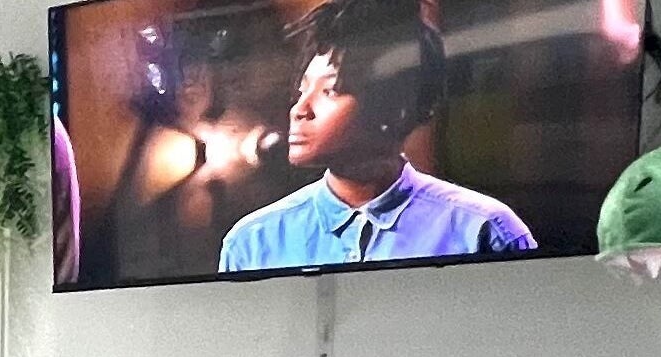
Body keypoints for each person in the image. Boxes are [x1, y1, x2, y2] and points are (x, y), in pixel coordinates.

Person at [218, 0, 534, 273]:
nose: (300, 109)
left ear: (394, 104)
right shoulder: (253, 242)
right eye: (302, 89)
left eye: (330, 90)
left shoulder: (483, 230)